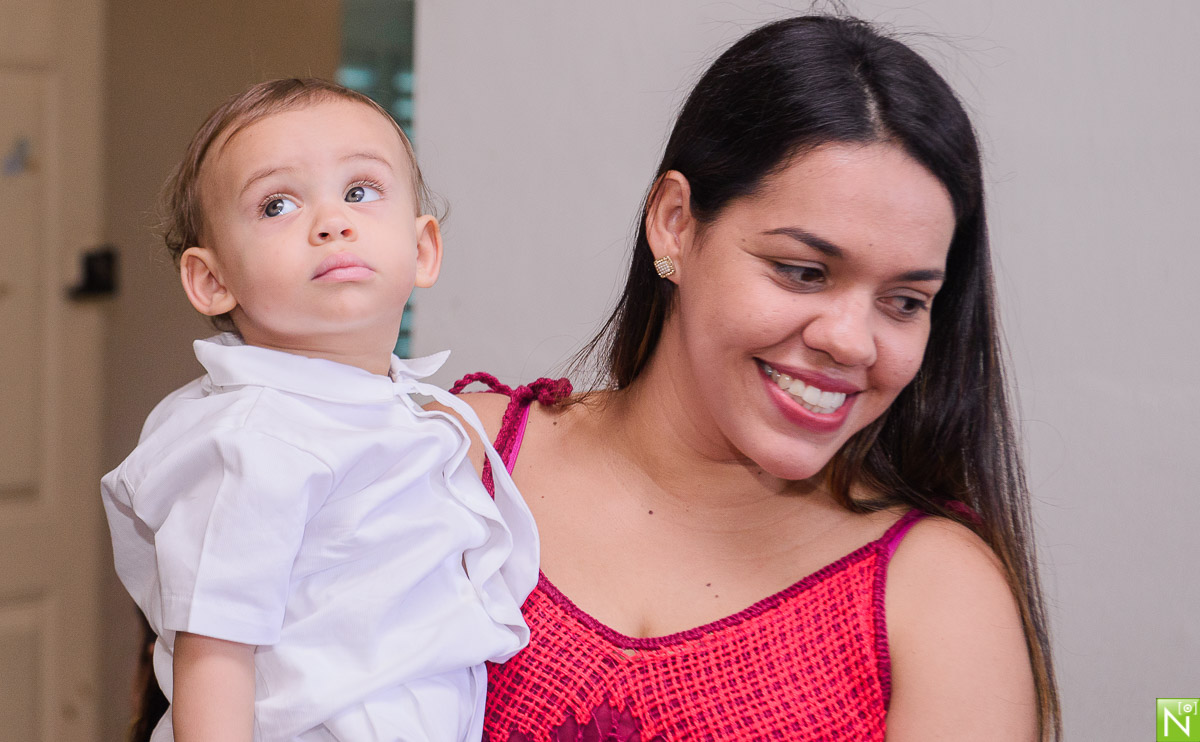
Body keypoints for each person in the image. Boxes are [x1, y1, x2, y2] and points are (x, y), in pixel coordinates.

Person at [448, 15, 1060, 742]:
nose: (849, 341)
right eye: (803, 271)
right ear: (674, 223)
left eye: (904, 302)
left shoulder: (936, 598)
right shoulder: (456, 463)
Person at [103, 78, 538, 742]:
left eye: (360, 192)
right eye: (277, 204)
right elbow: (214, 654)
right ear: (212, 279)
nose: (332, 221)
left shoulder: (410, 413)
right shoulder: (254, 440)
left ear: (422, 250)